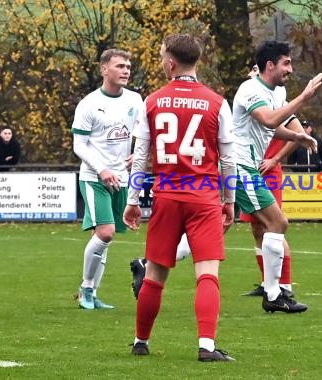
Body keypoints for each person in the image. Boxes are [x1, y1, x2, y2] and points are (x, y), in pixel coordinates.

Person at [123, 34, 237, 362]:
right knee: (207, 273)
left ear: (171, 62)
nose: (162, 62)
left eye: (161, 57)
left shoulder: (153, 101)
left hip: (167, 197)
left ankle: (140, 341)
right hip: (203, 198)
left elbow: (141, 154)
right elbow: (228, 159)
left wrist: (133, 200)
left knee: (156, 275)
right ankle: (206, 346)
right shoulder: (217, 102)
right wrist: (228, 199)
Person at [232, 40, 322, 313]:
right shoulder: (250, 89)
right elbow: (269, 120)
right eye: (286, 63)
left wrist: (296, 136)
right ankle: (274, 293)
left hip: (243, 166)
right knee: (277, 223)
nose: (290, 70)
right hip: (239, 166)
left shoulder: (276, 92)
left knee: (216, 226)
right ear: (270, 65)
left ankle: (148, 263)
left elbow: (274, 125)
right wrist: (304, 97)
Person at [71, 48, 144, 310]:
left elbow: (144, 134)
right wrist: (102, 169)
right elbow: (79, 145)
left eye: (128, 66)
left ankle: (91, 293)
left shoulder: (135, 100)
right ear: (104, 70)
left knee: (104, 239)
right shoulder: (89, 104)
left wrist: (137, 155)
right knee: (106, 232)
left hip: (121, 178)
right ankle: (86, 289)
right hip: (94, 177)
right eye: (120, 66)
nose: (126, 70)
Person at [238, 64, 301, 298]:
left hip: (267, 172)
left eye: (257, 69)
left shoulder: (276, 101)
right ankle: (268, 284)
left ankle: (283, 287)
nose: (253, 73)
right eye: (251, 69)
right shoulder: (251, 99)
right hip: (249, 168)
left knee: (275, 225)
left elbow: (294, 131)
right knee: (258, 229)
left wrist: (274, 160)